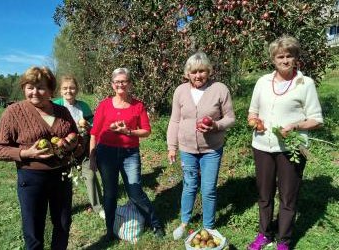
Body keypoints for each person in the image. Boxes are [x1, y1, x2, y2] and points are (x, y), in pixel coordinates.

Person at [0, 66, 83, 250]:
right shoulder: (13, 113)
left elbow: (75, 135)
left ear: (50, 89)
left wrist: (72, 142)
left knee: (63, 224)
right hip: (32, 178)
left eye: (40, 87)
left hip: (62, 176)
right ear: (24, 88)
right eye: (29, 87)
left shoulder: (62, 111)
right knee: (33, 232)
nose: (35, 92)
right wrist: (26, 153)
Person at [246, 35, 323, 250]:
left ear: (296, 58)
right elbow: (252, 111)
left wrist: (295, 126)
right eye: (280, 56)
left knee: (288, 196)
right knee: (264, 194)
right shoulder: (262, 82)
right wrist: (254, 122)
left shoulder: (305, 83)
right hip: (262, 146)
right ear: (273, 59)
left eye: (289, 56)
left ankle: (284, 240)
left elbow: (316, 119)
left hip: (291, 148)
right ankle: (264, 234)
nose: (285, 60)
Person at [89, 67, 165, 241]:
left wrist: (128, 131)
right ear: (112, 85)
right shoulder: (104, 105)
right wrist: (92, 158)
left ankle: (155, 224)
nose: (120, 84)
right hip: (106, 153)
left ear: (129, 83)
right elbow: (94, 133)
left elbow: (146, 131)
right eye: (117, 82)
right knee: (110, 193)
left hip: (129, 154)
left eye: (124, 81)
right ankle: (109, 230)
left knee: (135, 192)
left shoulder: (137, 105)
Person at [167, 52, 235, 240]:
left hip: (211, 149)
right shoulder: (180, 91)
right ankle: (184, 221)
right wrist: (171, 146)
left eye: (202, 71)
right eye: (194, 72)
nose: (198, 75)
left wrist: (216, 125)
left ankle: (209, 226)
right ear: (187, 73)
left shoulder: (220, 89)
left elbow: (230, 118)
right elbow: (174, 120)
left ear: (209, 71)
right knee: (189, 185)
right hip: (187, 149)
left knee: (209, 188)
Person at [53, 75, 105, 218]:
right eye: (65, 88)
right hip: (63, 148)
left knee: (90, 175)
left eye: (72, 88)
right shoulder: (55, 105)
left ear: (76, 90)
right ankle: (64, 209)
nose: (68, 91)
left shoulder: (83, 106)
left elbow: (93, 126)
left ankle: (98, 207)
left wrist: (89, 127)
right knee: (63, 179)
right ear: (60, 90)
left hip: (83, 146)